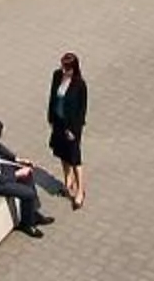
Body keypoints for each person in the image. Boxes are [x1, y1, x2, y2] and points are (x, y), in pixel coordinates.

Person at [46, 52, 89, 210]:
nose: (62, 70)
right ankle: (67, 182)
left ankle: (80, 190)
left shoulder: (79, 85)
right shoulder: (57, 76)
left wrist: (74, 130)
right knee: (62, 154)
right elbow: (52, 97)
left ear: (73, 69)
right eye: (62, 66)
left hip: (71, 127)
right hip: (58, 122)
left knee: (74, 157)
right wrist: (50, 117)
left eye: (66, 68)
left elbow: (81, 110)